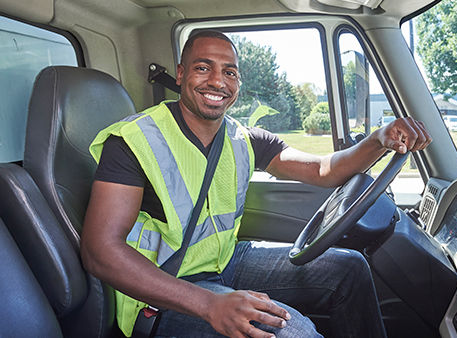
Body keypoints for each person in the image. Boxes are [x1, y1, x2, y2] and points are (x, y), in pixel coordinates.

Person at [81, 30, 432, 338]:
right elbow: (101, 252)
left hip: (227, 264)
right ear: (181, 74)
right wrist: (209, 303)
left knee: (350, 268)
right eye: (204, 68)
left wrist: (378, 139)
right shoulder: (133, 140)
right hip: (164, 296)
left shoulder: (242, 138)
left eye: (229, 72)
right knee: (295, 331)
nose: (218, 82)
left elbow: (324, 170)